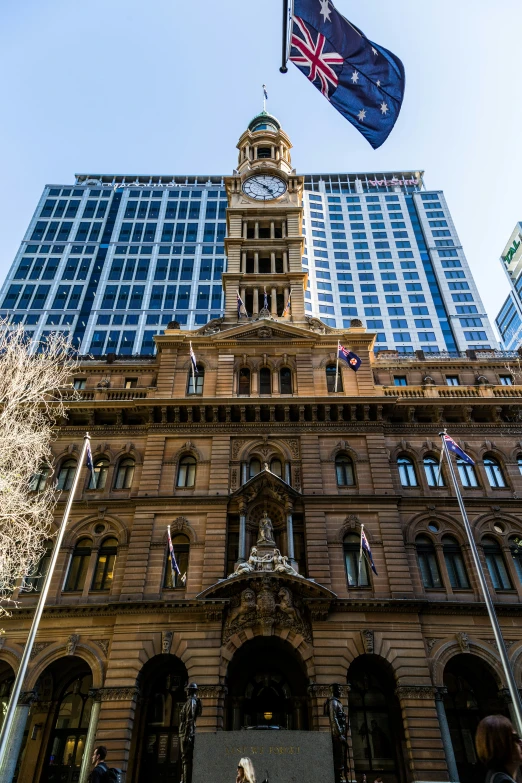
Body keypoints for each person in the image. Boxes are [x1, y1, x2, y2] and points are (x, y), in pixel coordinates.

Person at [476, 715, 522, 783]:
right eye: (515, 738)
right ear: (501, 746)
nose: (521, 741)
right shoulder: (502, 780)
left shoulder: (498, 776)